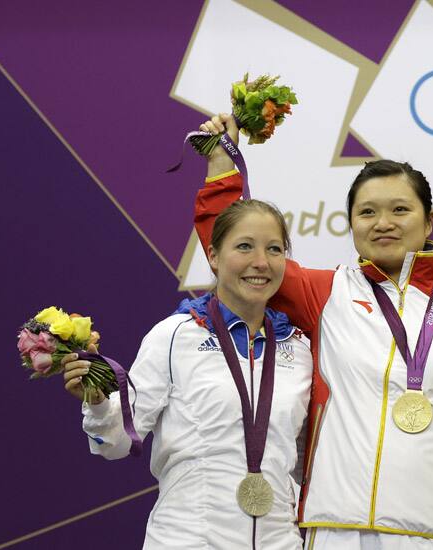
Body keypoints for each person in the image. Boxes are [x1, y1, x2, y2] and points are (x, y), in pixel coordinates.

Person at [193, 125, 433, 547]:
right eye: (367, 212)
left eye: (400, 210)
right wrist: (221, 168)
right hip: (334, 526)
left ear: (428, 221)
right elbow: (236, 251)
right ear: (351, 223)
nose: (383, 223)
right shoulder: (326, 292)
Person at [62, 200, 312, 549]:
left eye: (274, 249)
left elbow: (303, 463)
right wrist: (100, 403)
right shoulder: (174, 336)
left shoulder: (299, 349)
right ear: (212, 256)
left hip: (279, 541)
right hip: (188, 539)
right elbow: (117, 444)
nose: (261, 262)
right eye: (244, 246)